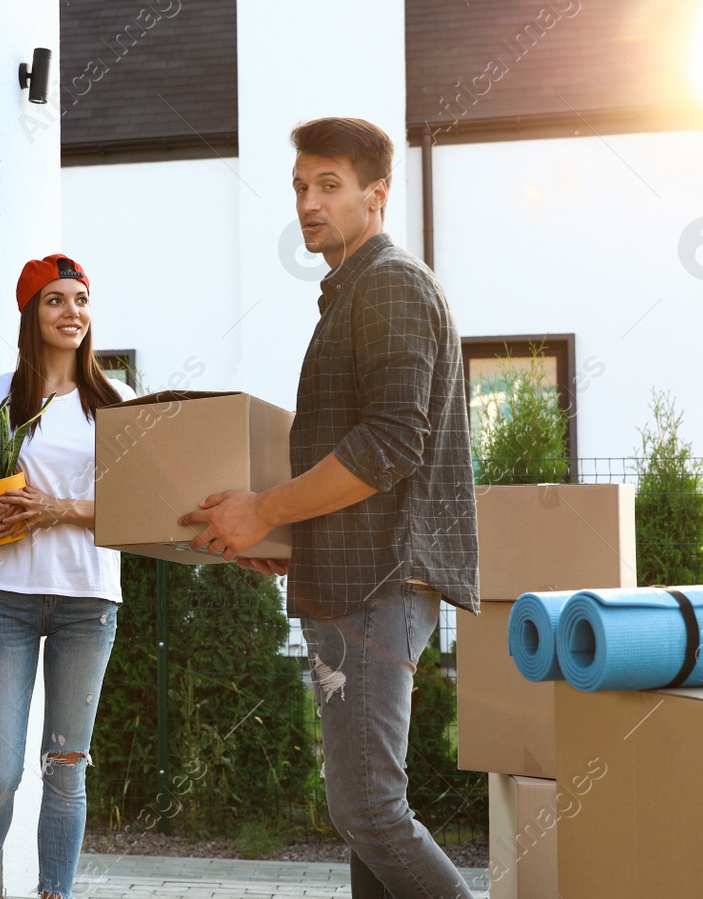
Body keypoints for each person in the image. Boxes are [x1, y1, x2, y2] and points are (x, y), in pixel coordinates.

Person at [178, 118, 480, 898]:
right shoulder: (354, 292)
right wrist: (283, 540)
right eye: (300, 188)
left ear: (375, 195)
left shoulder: (390, 285)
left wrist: (264, 506)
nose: (308, 203)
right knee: (362, 822)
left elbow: (389, 444)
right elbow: (367, 465)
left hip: (377, 588)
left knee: (371, 810)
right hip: (354, 579)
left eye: (329, 186)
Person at [0, 254, 137, 899]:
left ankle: (56, 892)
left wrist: (60, 510)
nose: (72, 312)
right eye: (55, 300)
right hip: (4, 601)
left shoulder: (117, 403)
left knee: (66, 768)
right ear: (31, 313)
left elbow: (142, 511)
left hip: (89, 601)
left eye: (80, 300)